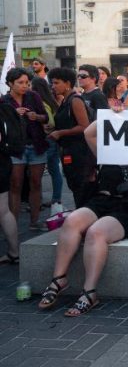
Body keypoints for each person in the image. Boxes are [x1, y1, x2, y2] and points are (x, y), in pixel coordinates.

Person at [37, 119, 128, 316]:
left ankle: (90, 291)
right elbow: (88, 133)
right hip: (101, 201)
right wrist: (112, 116)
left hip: (127, 209)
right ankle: (59, 278)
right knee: (72, 221)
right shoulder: (109, 153)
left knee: (96, 231)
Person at [2, 68, 49, 230]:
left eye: (27, 83)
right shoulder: (4, 101)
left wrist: (36, 116)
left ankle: (34, 222)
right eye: (20, 83)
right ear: (10, 84)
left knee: (36, 183)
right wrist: (13, 114)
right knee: (15, 184)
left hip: (36, 145)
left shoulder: (33, 96)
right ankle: (12, 224)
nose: (24, 86)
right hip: (15, 148)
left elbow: (46, 117)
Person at [47, 68, 96, 207]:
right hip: (69, 150)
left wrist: (60, 133)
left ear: (67, 83)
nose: (53, 86)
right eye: (52, 83)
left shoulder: (75, 100)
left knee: (81, 188)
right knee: (76, 186)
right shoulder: (65, 100)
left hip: (79, 152)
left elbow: (84, 126)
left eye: (56, 83)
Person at [30, 77, 65, 208]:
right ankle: (56, 199)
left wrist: (44, 126)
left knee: (37, 172)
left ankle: (37, 201)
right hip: (53, 139)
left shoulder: (41, 102)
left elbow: (50, 122)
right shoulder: (51, 100)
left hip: (47, 139)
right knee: (54, 169)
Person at [0, 98, 20, 265]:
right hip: (4, 161)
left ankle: (14, 251)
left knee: (3, 210)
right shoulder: (4, 108)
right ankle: (14, 252)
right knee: (4, 210)